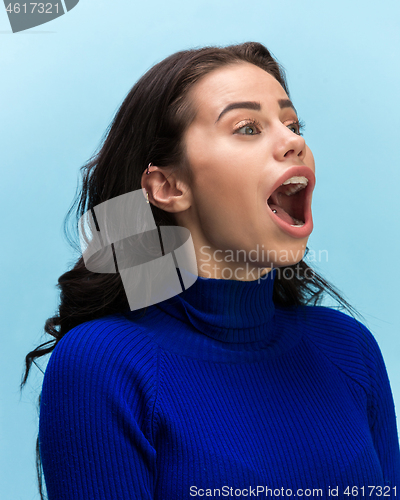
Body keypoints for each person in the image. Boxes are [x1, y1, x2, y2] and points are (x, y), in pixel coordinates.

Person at [22, 42, 400, 499]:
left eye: (293, 124)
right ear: (166, 186)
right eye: (247, 127)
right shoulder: (103, 365)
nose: (294, 141)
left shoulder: (349, 348)